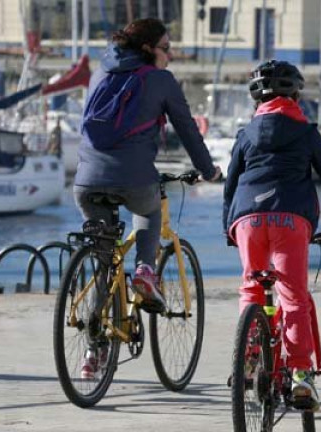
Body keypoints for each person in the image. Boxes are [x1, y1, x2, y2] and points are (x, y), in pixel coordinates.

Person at [74, 18, 221, 379]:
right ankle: (145, 270)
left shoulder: (100, 73)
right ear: (147, 50)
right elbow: (187, 128)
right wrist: (208, 169)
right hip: (135, 180)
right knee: (150, 211)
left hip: (85, 183)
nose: (170, 55)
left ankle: (95, 352)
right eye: (166, 48)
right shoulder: (160, 81)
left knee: (105, 264)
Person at [222, 60, 321, 411]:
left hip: (247, 218)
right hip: (290, 218)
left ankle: (250, 359)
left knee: (252, 287)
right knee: (293, 296)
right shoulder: (305, 131)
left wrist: (229, 226)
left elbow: (232, 183)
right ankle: (300, 375)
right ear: (296, 95)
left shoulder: (245, 134)